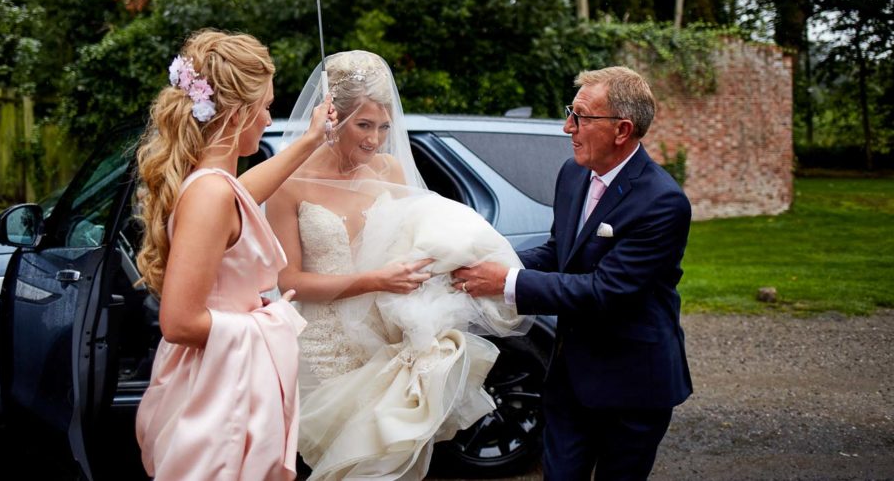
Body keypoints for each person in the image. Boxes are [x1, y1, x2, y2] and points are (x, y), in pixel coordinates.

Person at [266, 50, 531, 481]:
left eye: (384, 127)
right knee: (342, 463)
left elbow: (417, 238)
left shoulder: (390, 170)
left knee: (389, 459)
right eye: (363, 125)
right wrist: (372, 279)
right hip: (323, 349)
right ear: (333, 118)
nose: (375, 140)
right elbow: (289, 281)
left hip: (386, 340)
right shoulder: (288, 184)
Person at [453, 66, 693, 481]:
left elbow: (607, 292)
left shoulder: (663, 202)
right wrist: (493, 262)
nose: (568, 127)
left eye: (580, 116)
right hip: (569, 377)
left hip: (633, 386)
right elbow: (559, 251)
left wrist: (505, 282)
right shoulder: (573, 174)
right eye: (571, 112)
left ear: (622, 130)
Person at [133, 29, 335, 481]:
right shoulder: (209, 195)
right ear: (239, 114)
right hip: (215, 393)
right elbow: (179, 322)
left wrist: (311, 140)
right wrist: (271, 322)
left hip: (223, 375)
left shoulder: (216, 186)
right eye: (264, 107)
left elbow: (243, 195)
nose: (268, 119)